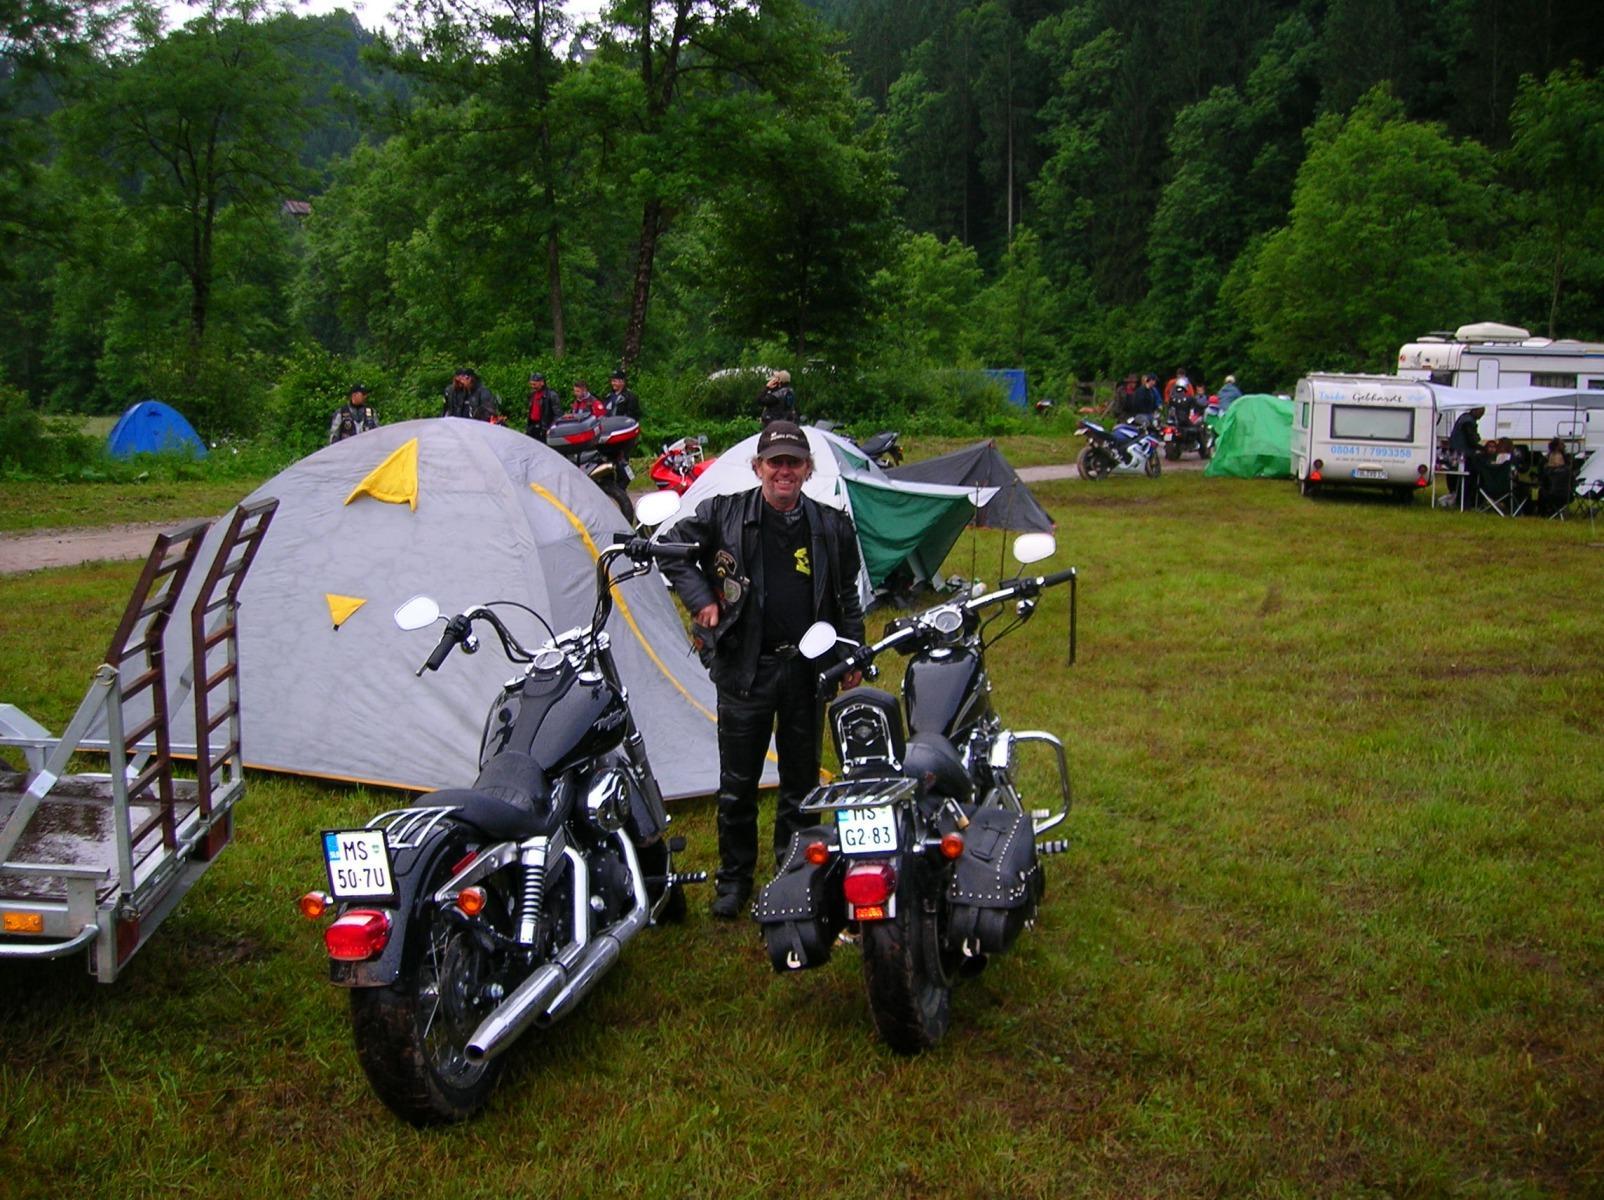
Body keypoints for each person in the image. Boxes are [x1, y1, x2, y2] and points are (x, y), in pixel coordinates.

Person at [659, 421, 865, 919]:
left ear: (808, 470)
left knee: (801, 782)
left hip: (807, 671)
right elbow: (670, 548)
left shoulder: (832, 526)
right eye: (775, 462)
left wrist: (852, 652)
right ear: (758, 468)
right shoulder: (722, 513)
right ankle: (734, 880)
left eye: (794, 462)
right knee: (737, 786)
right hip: (744, 668)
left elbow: (847, 597)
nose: (784, 471)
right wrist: (701, 598)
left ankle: (795, 873)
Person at [525, 372, 559, 441]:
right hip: (532, 427)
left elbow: (558, 414)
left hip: (544, 428)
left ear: (542, 383)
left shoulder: (551, 395)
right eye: (531, 384)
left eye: (534, 384)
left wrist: (551, 428)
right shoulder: (532, 394)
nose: (532, 386)